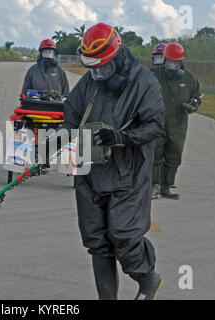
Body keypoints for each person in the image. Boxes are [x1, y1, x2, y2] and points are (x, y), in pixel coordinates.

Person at [63, 22, 165, 300]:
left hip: (128, 172)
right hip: (90, 171)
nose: (98, 73)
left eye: (103, 67)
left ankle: (148, 280)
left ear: (117, 57)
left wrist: (122, 137)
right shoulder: (91, 81)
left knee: (124, 235)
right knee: (97, 240)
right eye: (93, 68)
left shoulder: (144, 82)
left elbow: (154, 125)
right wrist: (64, 142)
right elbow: (71, 114)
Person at [151, 42, 201, 199]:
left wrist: (193, 104)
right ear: (164, 60)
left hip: (178, 125)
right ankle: (155, 186)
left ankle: (166, 186)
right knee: (156, 154)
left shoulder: (189, 78)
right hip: (157, 123)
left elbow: (196, 97)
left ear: (180, 62)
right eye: (169, 61)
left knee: (174, 156)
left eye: (175, 62)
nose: (171, 65)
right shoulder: (154, 74)